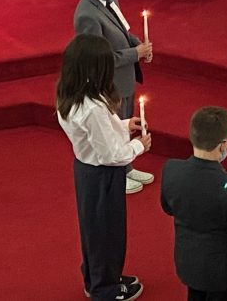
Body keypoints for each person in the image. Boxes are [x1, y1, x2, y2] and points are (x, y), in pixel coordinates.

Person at [56, 34, 150, 301]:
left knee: (94, 231)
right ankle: (105, 290)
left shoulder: (71, 91)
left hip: (87, 171)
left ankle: (98, 278)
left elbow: (91, 134)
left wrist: (123, 125)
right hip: (103, 174)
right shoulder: (93, 107)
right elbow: (111, 153)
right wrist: (139, 146)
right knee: (108, 233)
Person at [161, 106, 227, 301]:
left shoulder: (171, 169)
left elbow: (167, 207)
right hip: (222, 273)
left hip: (188, 262)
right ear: (224, 145)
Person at [74, 0, 154, 194]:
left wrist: (140, 45)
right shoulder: (86, 15)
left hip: (124, 79)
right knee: (113, 127)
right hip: (109, 82)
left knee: (125, 123)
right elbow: (98, 57)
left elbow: (123, 29)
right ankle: (117, 174)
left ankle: (127, 167)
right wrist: (134, 53)